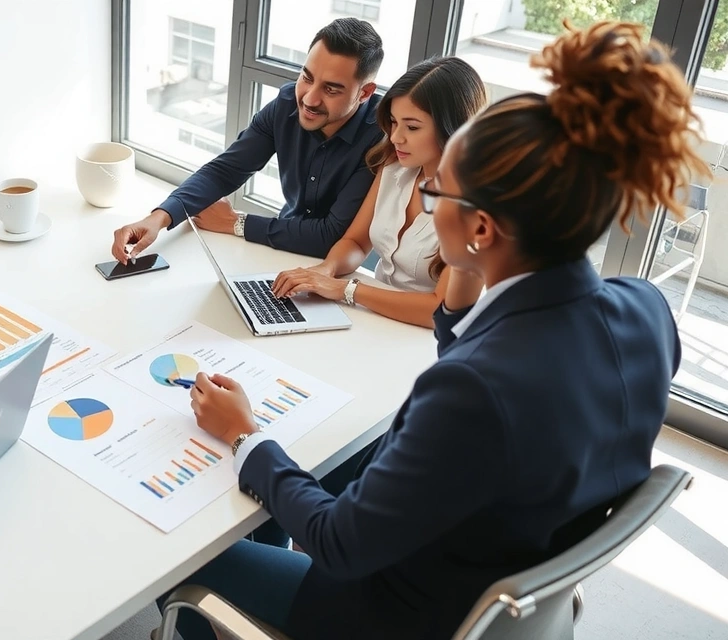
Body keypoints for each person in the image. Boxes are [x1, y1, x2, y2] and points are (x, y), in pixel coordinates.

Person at [164, 20, 700, 639]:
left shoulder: (469, 392)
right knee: (313, 466)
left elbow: (340, 545)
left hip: (395, 613)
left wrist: (245, 436)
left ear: (480, 229)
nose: (426, 198)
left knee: (196, 552)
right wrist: (463, 287)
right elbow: (519, 359)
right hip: (511, 557)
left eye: (439, 192)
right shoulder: (645, 308)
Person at [111, 18, 384, 262]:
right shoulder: (286, 104)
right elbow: (225, 171)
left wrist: (235, 223)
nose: (310, 99)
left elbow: (331, 236)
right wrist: (158, 219)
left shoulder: (381, 136)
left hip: (338, 272)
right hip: (280, 250)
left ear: (364, 93)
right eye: (307, 77)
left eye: (331, 89)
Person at [271, 57, 487, 328]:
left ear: (454, 129)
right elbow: (356, 242)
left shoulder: (479, 206)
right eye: (394, 122)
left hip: (429, 339)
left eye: (412, 127)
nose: (396, 137)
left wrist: (345, 290)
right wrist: (325, 271)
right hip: (376, 318)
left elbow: (443, 311)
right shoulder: (394, 166)